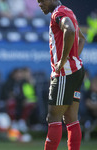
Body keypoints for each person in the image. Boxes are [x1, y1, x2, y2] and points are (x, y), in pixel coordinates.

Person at [36, 0, 86, 150]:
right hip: (75, 70)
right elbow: (81, 38)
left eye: (41, 0)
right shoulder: (68, 11)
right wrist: (73, 59)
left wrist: (63, 61)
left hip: (65, 73)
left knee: (53, 117)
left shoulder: (58, 13)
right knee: (71, 118)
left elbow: (70, 30)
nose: (39, 4)